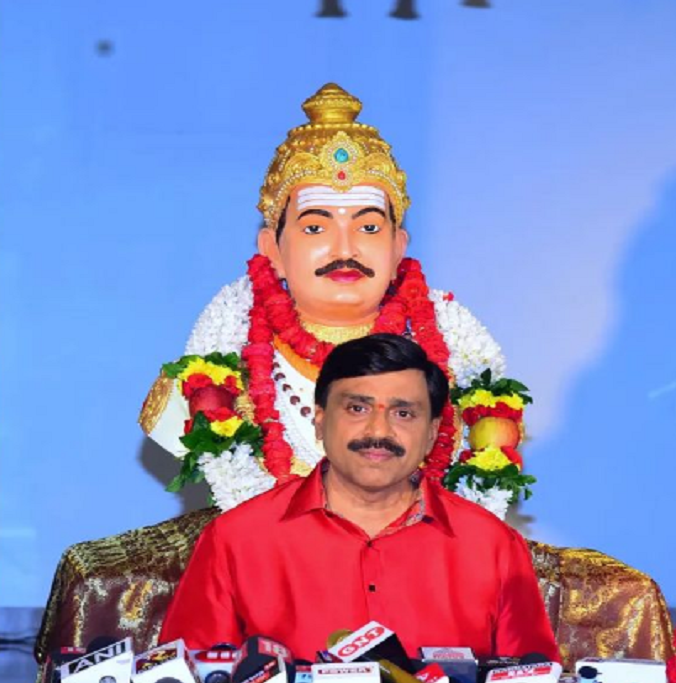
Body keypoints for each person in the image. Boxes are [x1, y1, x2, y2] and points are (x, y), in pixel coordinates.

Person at [140, 83, 533, 517]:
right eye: (315, 228)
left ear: (398, 248)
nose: (345, 248)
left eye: (369, 228)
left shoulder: (458, 365)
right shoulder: (216, 367)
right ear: (272, 250)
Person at [158, 334, 561, 661]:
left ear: (432, 432)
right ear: (320, 420)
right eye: (357, 408)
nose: (378, 431)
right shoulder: (236, 540)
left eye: (403, 413)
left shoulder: (492, 546)